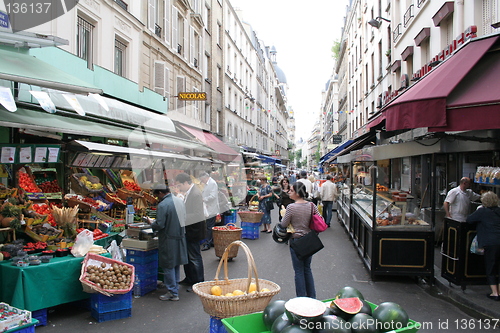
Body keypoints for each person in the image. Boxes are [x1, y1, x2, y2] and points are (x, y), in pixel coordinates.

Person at [279, 182, 319, 298]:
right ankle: (312, 297)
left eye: (291, 190)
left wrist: (284, 215)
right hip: (309, 241)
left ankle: (301, 298)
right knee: (307, 269)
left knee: (298, 271)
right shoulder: (312, 205)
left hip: (296, 241)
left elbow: (283, 224)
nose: (289, 192)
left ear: (297, 193)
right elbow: (318, 219)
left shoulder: (291, 208)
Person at [150, 186, 188, 301]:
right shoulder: (179, 201)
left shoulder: (163, 205)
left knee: (168, 265)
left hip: (168, 239)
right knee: (175, 264)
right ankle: (174, 287)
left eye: (157, 195)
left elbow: (160, 224)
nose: (157, 198)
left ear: (161, 193)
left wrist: (152, 223)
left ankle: (172, 291)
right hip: (180, 236)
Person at [466, 191, 500, 301]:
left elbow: (469, 220)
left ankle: (495, 293)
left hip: (490, 243)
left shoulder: (482, 211)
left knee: (491, 267)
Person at [175, 173, 206, 290]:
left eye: (179, 185)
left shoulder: (195, 194)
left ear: (185, 183)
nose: (178, 188)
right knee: (188, 256)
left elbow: (198, 214)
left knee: (194, 257)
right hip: (189, 230)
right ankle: (189, 278)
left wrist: (182, 216)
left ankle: (198, 282)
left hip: (194, 230)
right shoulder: (189, 192)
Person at [200, 172, 220, 251]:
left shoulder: (212, 183)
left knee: (209, 226)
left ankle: (208, 243)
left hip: (211, 208)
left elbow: (213, 196)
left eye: (202, 180)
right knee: (209, 226)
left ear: (205, 178)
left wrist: (204, 199)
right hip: (208, 208)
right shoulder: (209, 183)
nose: (202, 182)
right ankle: (211, 241)